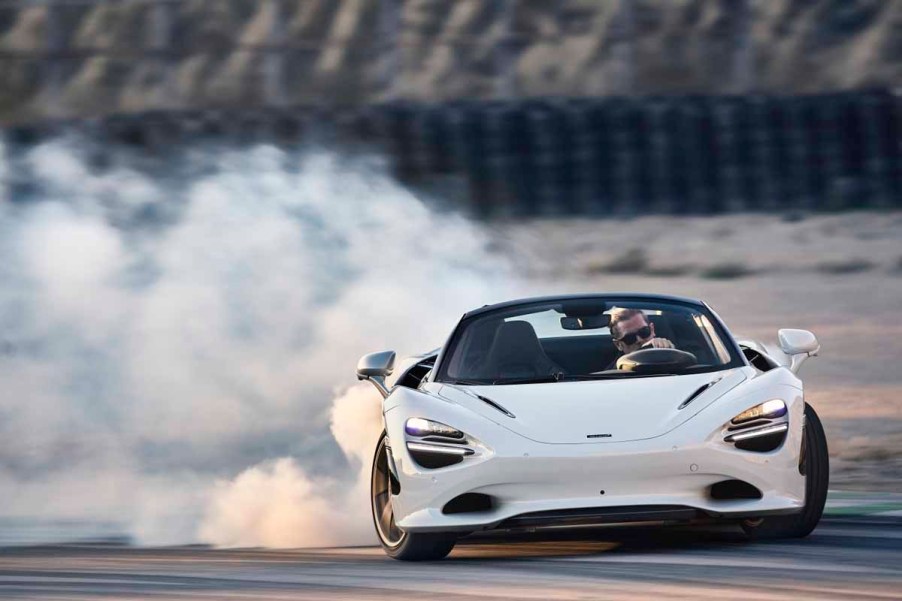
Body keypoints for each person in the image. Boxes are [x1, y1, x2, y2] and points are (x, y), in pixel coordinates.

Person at [609, 307, 674, 357]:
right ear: (619, 345)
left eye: (644, 332)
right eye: (630, 338)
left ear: (652, 329)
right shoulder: (615, 373)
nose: (639, 340)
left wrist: (671, 351)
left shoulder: (668, 351)